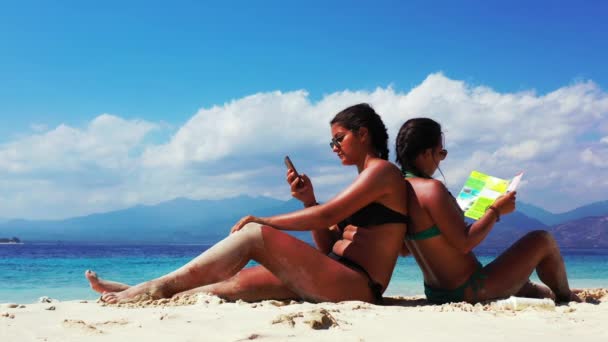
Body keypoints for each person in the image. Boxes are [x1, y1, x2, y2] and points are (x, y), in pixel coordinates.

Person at [86, 103, 408, 304]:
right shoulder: (365, 178)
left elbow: (329, 214)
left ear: (363, 134)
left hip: (356, 284)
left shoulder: (382, 172)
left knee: (254, 234)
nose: (334, 146)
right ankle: (144, 290)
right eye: (332, 141)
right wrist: (308, 200)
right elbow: (329, 240)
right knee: (225, 287)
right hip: (336, 274)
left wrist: (265, 221)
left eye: (338, 138)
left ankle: (157, 286)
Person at [394, 117, 580, 304]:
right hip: (471, 288)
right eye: (441, 153)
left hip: (436, 292)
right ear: (426, 153)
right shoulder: (431, 189)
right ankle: (567, 297)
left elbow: (404, 249)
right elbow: (465, 243)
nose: (441, 161)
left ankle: (552, 294)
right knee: (542, 239)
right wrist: (496, 210)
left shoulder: (400, 190)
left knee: (532, 289)